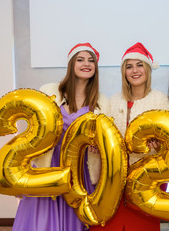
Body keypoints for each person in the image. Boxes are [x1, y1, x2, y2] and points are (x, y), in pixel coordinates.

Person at [12, 43, 109, 231]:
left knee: (74, 218)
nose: (86, 64)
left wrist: (97, 146)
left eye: (91, 61)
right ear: (71, 64)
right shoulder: (50, 92)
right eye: (80, 59)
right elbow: (33, 129)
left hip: (79, 169)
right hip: (48, 165)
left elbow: (103, 136)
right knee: (41, 220)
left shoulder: (101, 102)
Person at [90, 42, 169, 231]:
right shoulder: (113, 100)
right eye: (129, 66)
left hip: (145, 182)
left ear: (148, 69)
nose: (134, 70)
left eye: (139, 65)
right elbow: (105, 135)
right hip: (113, 180)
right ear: (124, 72)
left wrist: (157, 144)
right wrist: (97, 145)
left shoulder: (160, 100)